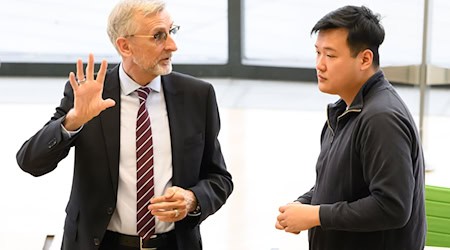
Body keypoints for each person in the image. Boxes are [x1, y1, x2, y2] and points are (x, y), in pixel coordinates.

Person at [16, 0, 233, 249]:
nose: (173, 46)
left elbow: (219, 179)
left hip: (173, 244)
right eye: (158, 36)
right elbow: (30, 162)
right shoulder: (91, 94)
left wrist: (193, 199)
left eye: (171, 32)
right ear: (125, 45)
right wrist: (73, 120)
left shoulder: (197, 96)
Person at [275, 5, 426, 250]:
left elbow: (392, 207)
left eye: (331, 56)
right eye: (318, 53)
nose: (320, 65)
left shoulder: (381, 119)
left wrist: (316, 216)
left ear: (365, 59)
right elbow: (343, 185)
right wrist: (304, 205)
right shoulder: (344, 109)